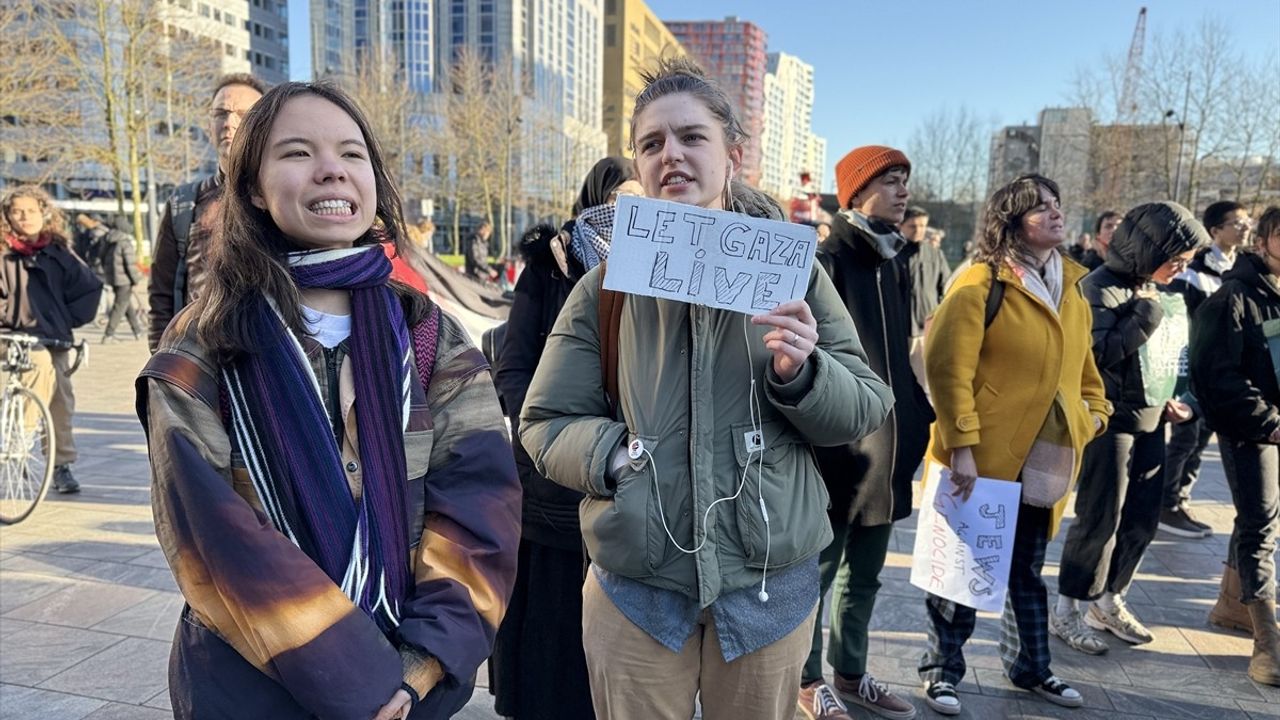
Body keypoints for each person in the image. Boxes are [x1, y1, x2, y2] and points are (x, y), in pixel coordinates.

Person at [519, 57, 893, 720]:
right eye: (652, 143)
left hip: (768, 589)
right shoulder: (604, 288)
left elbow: (865, 403)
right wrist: (615, 458)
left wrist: (803, 374)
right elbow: (544, 421)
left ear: (733, 155)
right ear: (636, 162)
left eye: (693, 137)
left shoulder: (793, 273)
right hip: (636, 590)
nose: (673, 155)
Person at [136, 81, 521, 720]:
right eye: (296, 153)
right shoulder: (206, 339)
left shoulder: (429, 332)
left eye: (351, 152)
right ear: (254, 187)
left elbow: (481, 507)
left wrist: (417, 667)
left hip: (409, 679)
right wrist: (360, 684)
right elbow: (206, 529)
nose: (331, 168)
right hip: (249, 680)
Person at [918, 174, 1111, 715]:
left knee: (1026, 571)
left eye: (1056, 202)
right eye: (1039, 207)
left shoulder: (1072, 289)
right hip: (983, 456)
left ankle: (1032, 668)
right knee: (962, 571)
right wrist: (961, 446)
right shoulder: (981, 282)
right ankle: (941, 672)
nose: (1054, 212)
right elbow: (948, 368)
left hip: (1047, 461)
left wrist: (1093, 417)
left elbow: (1088, 375)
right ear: (1010, 222)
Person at [490, 156, 639, 720]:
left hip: (631, 483)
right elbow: (514, 367)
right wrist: (548, 439)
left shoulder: (666, 269)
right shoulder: (551, 265)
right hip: (552, 484)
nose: (633, 212)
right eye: (620, 199)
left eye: (643, 198)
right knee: (550, 632)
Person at [803, 148, 932, 720]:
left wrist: (919, 414)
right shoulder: (826, 260)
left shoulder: (896, 261)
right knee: (817, 577)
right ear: (856, 191)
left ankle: (850, 673)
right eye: (890, 180)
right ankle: (807, 680)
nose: (903, 191)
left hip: (891, 453)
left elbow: (900, 356)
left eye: (905, 181)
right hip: (839, 452)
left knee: (867, 578)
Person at [1051, 202, 1206, 657]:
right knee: (1100, 519)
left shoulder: (1162, 292)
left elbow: (1178, 360)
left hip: (1154, 418)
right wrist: (1144, 317)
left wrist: (1184, 401)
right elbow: (1097, 356)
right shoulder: (1096, 287)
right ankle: (1067, 609)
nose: (1181, 267)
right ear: (1150, 248)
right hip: (1110, 423)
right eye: (1176, 257)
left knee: (1141, 518)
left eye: (1187, 261)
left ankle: (1109, 599)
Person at [1190, 205, 1280, 687]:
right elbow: (1217, 377)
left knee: (1262, 515)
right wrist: (1269, 423)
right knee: (1260, 522)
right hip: (1253, 430)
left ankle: (1232, 605)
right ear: (1263, 241)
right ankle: (1266, 641)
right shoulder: (1233, 297)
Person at [149, 72, 267, 352]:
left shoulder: (285, 196)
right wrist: (161, 357)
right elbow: (161, 292)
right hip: (197, 357)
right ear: (209, 123)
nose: (229, 122)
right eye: (221, 113)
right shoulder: (185, 202)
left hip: (269, 354)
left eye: (243, 113)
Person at [1, 186, 104, 494]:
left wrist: (65, 318)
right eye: (17, 211)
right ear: (7, 215)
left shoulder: (58, 251)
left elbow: (90, 287)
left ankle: (61, 464)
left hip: (52, 335)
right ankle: (21, 437)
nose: (25, 217)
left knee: (61, 393)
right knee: (38, 360)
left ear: (43, 212)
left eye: (31, 210)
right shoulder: (3, 251)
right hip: (9, 336)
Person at [1160, 201, 1251, 540]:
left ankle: (1180, 497)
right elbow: (1176, 322)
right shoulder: (1192, 271)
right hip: (1195, 370)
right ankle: (1166, 504)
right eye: (1237, 223)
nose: (1244, 228)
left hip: (1223, 373)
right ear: (1215, 231)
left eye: (1247, 222)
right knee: (1185, 438)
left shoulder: (1241, 268)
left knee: (1201, 441)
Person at [896, 204, 950, 396]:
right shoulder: (892, 254)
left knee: (924, 385)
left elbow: (946, 288)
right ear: (901, 226)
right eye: (913, 226)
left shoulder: (934, 254)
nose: (919, 230)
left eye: (922, 225)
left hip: (925, 328)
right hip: (898, 328)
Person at [97, 215, 144, 342]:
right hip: (125, 280)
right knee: (120, 306)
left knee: (126, 305)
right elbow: (130, 264)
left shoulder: (108, 240)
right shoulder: (124, 242)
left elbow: (101, 258)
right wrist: (136, 279)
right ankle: (108, 334)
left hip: (113, 279)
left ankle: (137, 331)